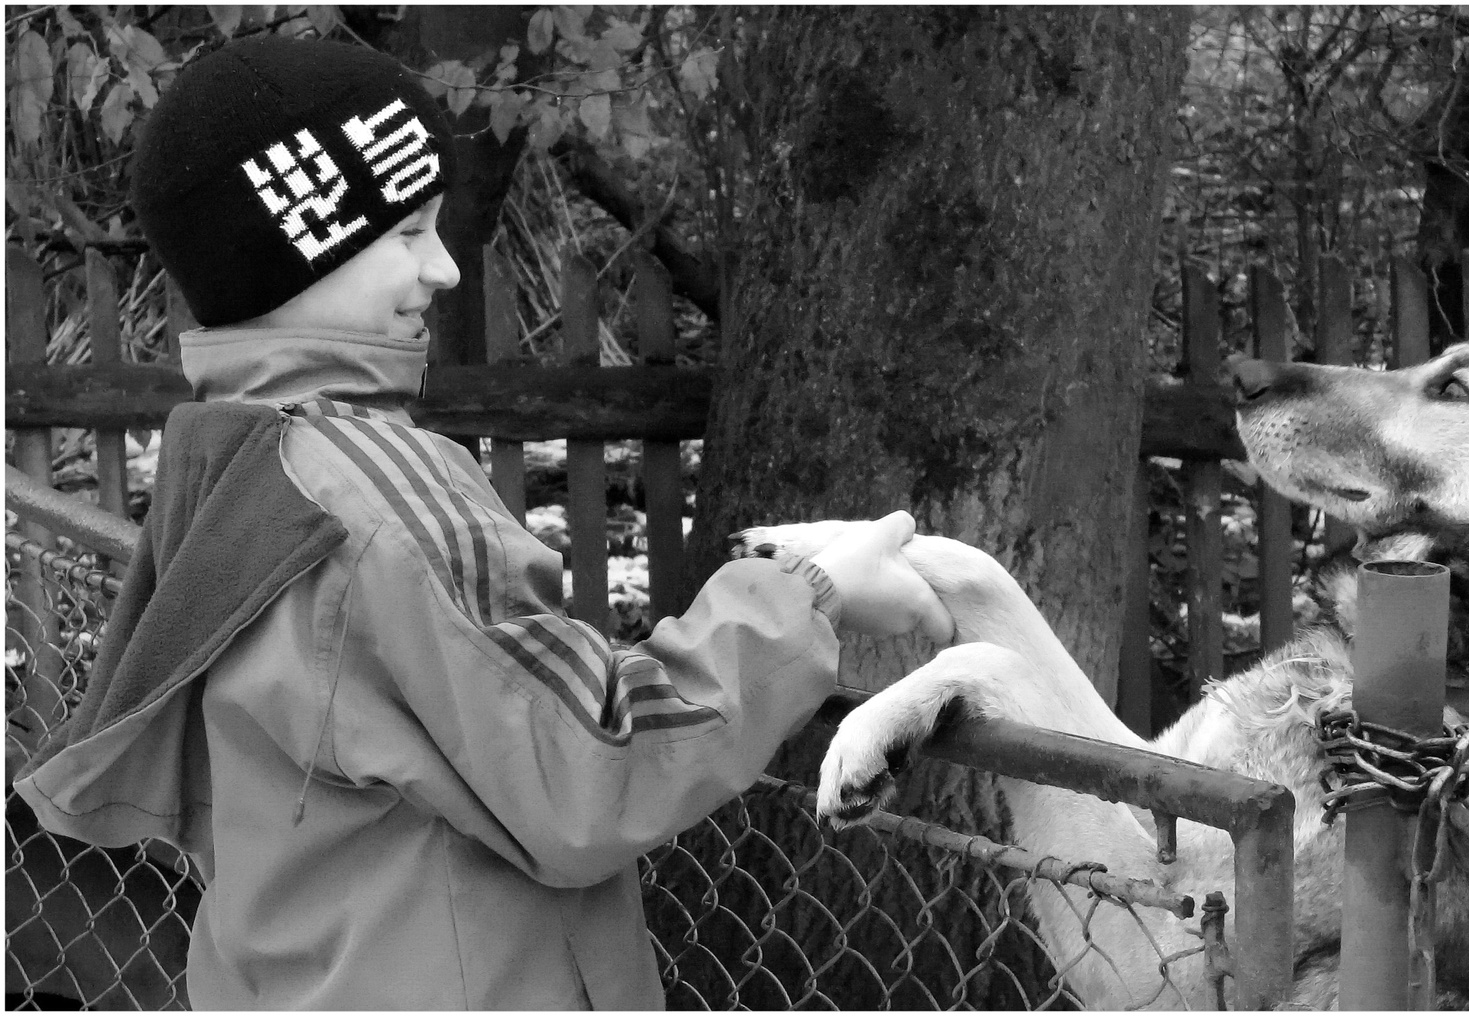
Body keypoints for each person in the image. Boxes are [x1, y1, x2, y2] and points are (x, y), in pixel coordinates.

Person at [11, 36, 954, 1010]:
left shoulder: (225, 455)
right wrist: (812, 596)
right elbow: (591, 763)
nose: (444, 269)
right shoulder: (379, 492)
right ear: (294, 247)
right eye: (407, 231)